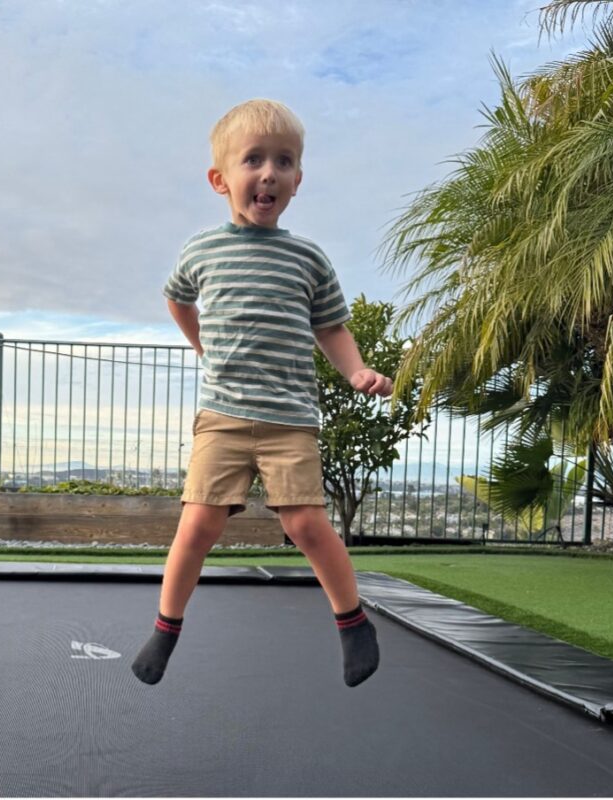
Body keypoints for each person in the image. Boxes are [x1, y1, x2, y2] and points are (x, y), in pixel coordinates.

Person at [131, 98, 394, 688]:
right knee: (197, 526)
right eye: (253, 160)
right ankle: (166, 628)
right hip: (222, 417)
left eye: (284, 161)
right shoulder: (202, 250)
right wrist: (201, 344)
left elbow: (331, 327)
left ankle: (353, 622)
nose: (269, 173)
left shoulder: (308, 258)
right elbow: (177, 298)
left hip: (289, 420)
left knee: (305, 524)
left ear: (298, 180)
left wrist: (356, 372)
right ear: (220, 179)